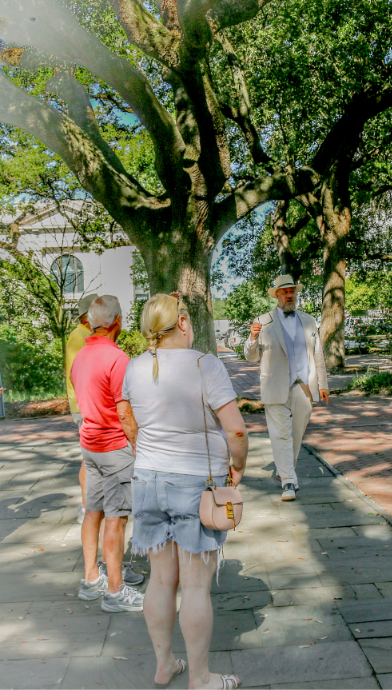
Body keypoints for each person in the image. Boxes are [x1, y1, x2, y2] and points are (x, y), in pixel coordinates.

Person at [122, 293, 248, 690]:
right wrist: (239, 465)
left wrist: (146, 452)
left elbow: (126, 417)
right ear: (181, 322)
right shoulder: (203, 364)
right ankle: (201, 678)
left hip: (147, 479)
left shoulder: (134, 367)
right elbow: (237, 429)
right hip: (195, 481)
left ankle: (163, 665)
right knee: (195, 584)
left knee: (160, 580)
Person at [71, 295, 145, 612]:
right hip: (115, 447)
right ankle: (115, 592)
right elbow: (124, 412)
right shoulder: (118, 358)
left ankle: (91, 581)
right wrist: (139, 448)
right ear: (116, 321)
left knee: (92, 511)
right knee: (116, 520)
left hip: (89, 444)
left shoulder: (81, 356)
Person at [245, 274, 329, 501]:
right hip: (274, 386)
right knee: (281, 435)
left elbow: (318, 355)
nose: (289, 295)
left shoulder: (309, 321)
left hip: (304, 386)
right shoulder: (263, 321)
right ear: (278, 295)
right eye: (285, 292)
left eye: (292, 291)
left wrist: (323, 385)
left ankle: (283, 472)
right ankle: (289, 483)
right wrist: (252, 338)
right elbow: (251, 357)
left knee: (296, 433)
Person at [66, 291, 97, 524]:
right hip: (84, 405)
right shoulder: (79, 335)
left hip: (85, 404)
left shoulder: (85, 333)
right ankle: (86, 507)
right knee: (88, 458)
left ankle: (89, 505)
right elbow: (78, 374)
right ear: (88, 315)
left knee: (90, 457)